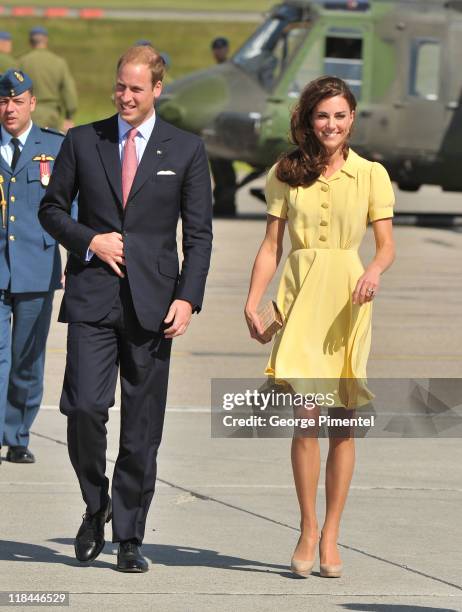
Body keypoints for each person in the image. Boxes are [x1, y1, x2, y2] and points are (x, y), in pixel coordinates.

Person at [39, 45, 212, 572]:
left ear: (157, 89)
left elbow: (199, 235)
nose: (126, 96)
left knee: (142, 425)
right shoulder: (81, 140)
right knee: (84, 409)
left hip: (154, 306)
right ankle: (96, 503)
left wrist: (187, 296)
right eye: (120, 86)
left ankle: (130, 535)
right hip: (93, 296)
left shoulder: (185, 149)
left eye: (137, 88)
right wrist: (92, 241)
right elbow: (50, 210)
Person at [244, 76, 395, 578]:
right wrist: (252, 301)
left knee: (343, 422)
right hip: (300, 299)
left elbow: (387, 245)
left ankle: (332, 533)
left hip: (349, 301)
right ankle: (307, 528)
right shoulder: (285, 172)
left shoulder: (372, 174)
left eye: (340, 115)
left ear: (352, 119)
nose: (331, 124)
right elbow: (271, 246)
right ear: (309, 120)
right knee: (306, 418)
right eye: (322, 115)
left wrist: (373, 271)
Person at [0, 69, 63, 465]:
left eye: (17, 101)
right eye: (4, 101)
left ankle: (17, 435)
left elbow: (71, 205)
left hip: (37, 264)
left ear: (32, 104)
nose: (9, 109)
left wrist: (79, 254)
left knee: (27, 356)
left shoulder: (54, 147)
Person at [18, 26, 77, 132]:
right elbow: (69, 90)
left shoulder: (22, 62)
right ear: (46, 40)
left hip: (29, 112)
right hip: (52, 115)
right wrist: (69, 115)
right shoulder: (59, 62)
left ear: (30, 41)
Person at [209, 37, 237, 218]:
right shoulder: (215, 73)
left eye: (221, 48)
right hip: (217, 125)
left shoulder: (232, 72)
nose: (219, 51)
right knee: (218, 167)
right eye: (216, 49)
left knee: (224, 167)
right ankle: (223, 203)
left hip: (228, 125)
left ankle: (227, 203)